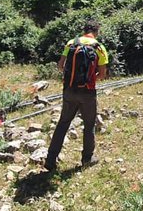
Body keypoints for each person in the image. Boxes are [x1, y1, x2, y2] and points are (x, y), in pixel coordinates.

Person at [45, 21, 110, 172]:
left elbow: (60, 66)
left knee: (63, 123)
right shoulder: (99, 47)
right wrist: (89, 77)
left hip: (69, 89)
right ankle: (87, 158)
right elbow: (102, 74)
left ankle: (50, 159)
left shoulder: (71, 43)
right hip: (88, 92)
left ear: (84, 31)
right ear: (96, 32)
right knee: (89, 125)